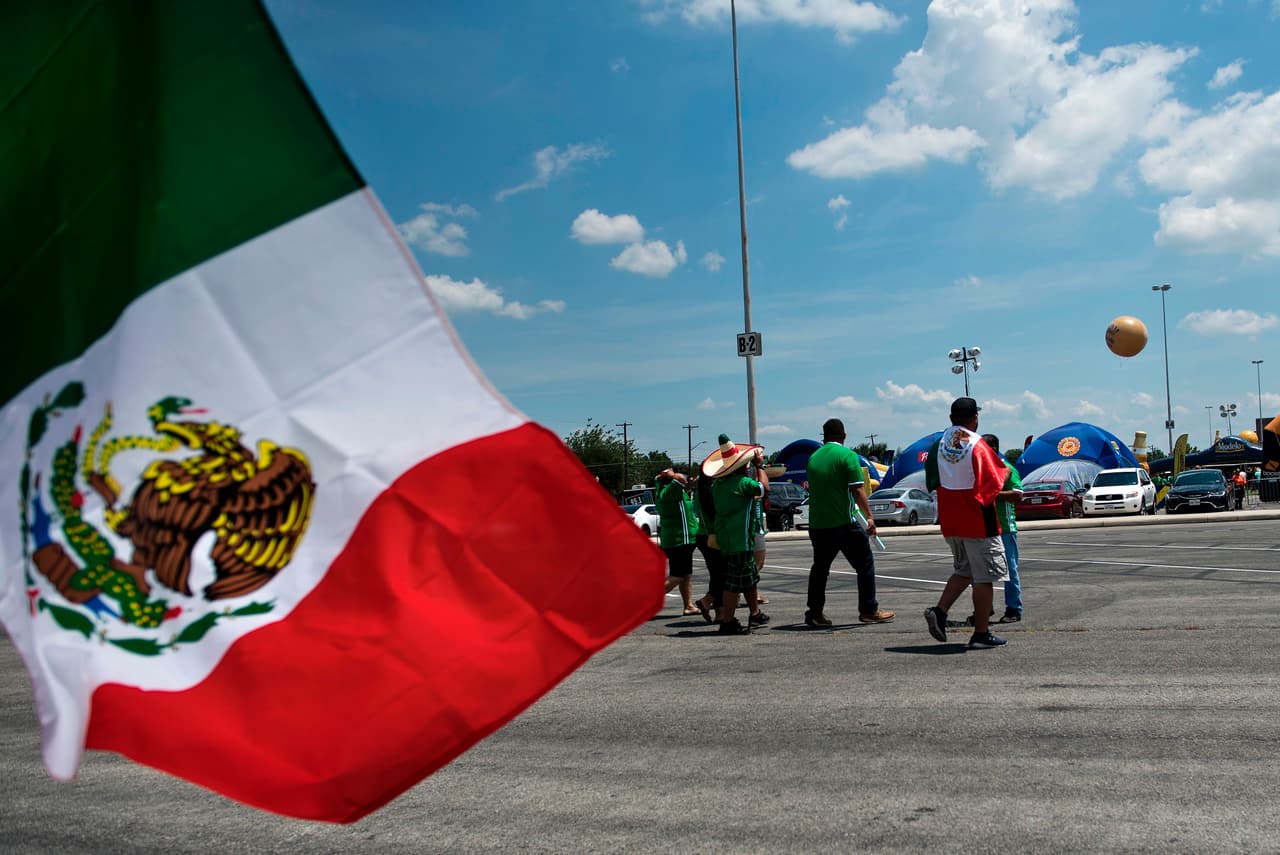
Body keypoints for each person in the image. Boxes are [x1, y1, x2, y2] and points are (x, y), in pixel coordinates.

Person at [923, 398, 1010, 649]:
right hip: (977, 520)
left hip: (951, 520)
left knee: (964, 570)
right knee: (985, 577)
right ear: (975, 419)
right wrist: (1004, 473)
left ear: (951, 419)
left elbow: (932, 480)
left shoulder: (937, 445)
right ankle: (981, 634)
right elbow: (993, 482)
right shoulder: (977, 444)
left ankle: (939, 611)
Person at [803, 418, 895, 627]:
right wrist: (869, 517)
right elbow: (857, 489)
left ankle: (814, 613)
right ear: (843, 436)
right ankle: (868, 609)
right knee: (864, 565)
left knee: (820, 568)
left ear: (824, 436)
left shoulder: (813, 458)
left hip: (817, 524)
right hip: (844, 522)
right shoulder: (848, 456)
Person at [703, 434, 769, 635]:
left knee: (749, 578)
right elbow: (764, 488)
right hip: (742, 540)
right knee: (733, 583)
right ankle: (728, 621)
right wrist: (760, 467)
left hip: (728, 538)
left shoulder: (718, 486)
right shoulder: (743, 484)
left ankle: (755, 613)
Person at [982, 434, 1024, 623]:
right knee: (982, 570)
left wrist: (993, 495)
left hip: (1005, 527)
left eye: (984, 447)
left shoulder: (1007, 468)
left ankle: (1013, 609)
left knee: (1009, 569)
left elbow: (1018, 493)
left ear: (993, 448)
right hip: (985, 527)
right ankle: (984, 609)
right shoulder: (984, 469)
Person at [654, 468, 701, 616]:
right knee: (679, 575)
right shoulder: (670, 491)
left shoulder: (664, 491)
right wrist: (671, 474)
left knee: (685, 574)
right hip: (681, 539)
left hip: (675, 538)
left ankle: (688, 605)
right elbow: (680, 478)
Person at [690, 473, 724, 624]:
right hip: (714, 535)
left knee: (717, 575)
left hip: (702, 535)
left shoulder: (699, 492)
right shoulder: (714, 492)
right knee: (723, 576)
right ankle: (708, 600)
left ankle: (720, 613)